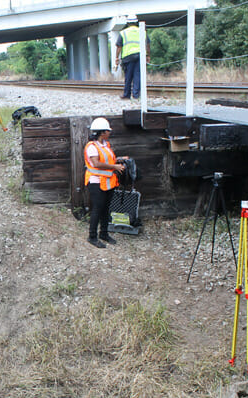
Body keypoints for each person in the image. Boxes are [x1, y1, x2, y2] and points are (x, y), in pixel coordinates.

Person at [84, 117, 127, 248]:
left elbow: (108, 160)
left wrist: (120, 159)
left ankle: (103, 233)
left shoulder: (105, 145)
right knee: (97, 209)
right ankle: (92, 236)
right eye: (108, 130)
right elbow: (96, 163)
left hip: (107, 182)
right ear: (102, 132)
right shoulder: (92, 147)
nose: (110, 132)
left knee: (106, 208)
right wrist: (115, 167)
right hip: (96, 182)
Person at [115, 15, 150, 100]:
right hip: (140, 55)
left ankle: (126, 95)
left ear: (128, 23)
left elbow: (119, 46)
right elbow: (148, 45)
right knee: (137, 75)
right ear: (136, 22)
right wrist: (148, 55)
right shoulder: (142, 31)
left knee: (128, 76)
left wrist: (116, 58)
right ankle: (136, 95)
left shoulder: (123, 33)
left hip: (128, 56)